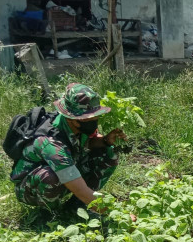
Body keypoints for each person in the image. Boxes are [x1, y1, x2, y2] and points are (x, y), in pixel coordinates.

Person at [10, 83, 127, 212]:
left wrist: (105, 141)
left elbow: (87, 143)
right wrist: (118, 215)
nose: (93, 122)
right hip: (30, 188)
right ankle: (50, 214)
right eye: (87, 119)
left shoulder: (79, 126)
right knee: (49, 177)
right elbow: (79, 188)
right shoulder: (51, 143)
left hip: (67, 169)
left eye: (95, 117)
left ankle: (78, 205)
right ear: (71, 119)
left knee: (108, 152)